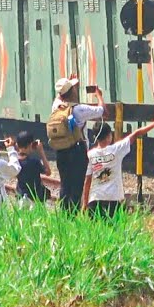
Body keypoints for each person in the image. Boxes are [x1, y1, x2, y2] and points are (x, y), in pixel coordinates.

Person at [86, 110, 154, 217]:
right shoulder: (116, 150)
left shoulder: (90, 155)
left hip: (95, 200)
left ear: (96, 138)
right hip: (114, 199)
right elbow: (136, 134)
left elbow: (87, 181)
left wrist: (84, 204)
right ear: (109, 136)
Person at [47, 77, 105, 212]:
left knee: (65, 184)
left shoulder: (56, 106)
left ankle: (64, 214)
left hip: (61, 151)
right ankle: (73, 214)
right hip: (77, 150)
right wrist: (99, 96)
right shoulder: (79, 109)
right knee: (77, 185)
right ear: (72, 92)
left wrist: (70, 87)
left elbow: (61, 96)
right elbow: (100, 110)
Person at [9, 131, 51, 204]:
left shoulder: (16, 162)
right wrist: (41, 152)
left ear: (17, 145)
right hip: (35, 197)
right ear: (31, 145)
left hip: (21, 196)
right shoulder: (34, 162)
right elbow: (48, 172)